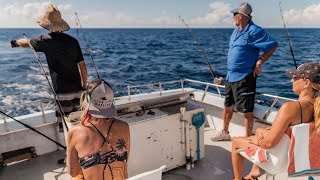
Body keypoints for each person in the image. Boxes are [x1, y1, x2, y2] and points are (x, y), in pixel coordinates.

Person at [231, 62, 320, 180]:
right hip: (296, 158)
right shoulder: (316, 107)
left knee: (236, 141)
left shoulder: (290, 108)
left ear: (306, 83)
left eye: (295, 77)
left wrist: (258, 139)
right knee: (260, 130)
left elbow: (268, 144)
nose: (291, 81)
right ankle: (254, 171)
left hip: (276, 162)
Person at [10, 4, 88, 133]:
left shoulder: (45, 41)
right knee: (81, 123)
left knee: (67, 126)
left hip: (62, 92)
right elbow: (83, 67)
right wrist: (84, 87)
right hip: (78, 91)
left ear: (47, 25)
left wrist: (15, 42)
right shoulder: (73, 41)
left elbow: (26, 42)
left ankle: (71, 150)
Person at [211, 2, 278, 141]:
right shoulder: (236, 31)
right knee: (228, 106)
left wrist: (260, 61)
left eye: (235, 14)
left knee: (247, 111)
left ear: (241, 16)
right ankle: (225, 132)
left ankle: (248, 140)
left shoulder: (255, 31)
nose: (233, 16)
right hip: (230, 77)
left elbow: (272, 45)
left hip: (245, 77)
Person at [67, 78, 130, 180]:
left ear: (86, 99)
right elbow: (125, 161)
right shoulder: (124, 127)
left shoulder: (75, 132)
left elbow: (73, 172)